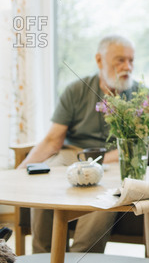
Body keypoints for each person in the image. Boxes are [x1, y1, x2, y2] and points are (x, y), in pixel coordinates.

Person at [19, 35, 137, 254]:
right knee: (43, 183)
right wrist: (20, 170)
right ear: (99, 60)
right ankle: (43, 256)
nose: (127, 67)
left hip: (115, 158)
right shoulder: (76, 90)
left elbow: (141, 147)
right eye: (120, 60)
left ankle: (81, 257)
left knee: (107, 197)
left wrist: (100, 162)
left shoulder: (139, 96)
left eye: (131, 60)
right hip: (73, 154)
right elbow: (53, 140)